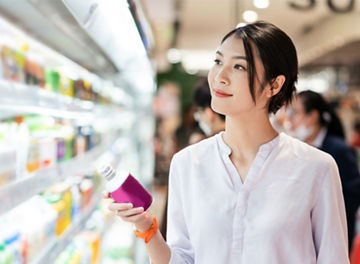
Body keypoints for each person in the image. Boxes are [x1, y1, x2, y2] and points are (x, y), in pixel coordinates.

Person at [104, 21, 349, 263]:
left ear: (274, 84)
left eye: (240, 67)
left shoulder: (315, 167)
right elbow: (183, 259)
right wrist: (146, 228)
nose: (219, 76)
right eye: (218, 62)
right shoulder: (187, 163)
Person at [287, 90, 360, 252]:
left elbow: (352, 195)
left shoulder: (338, 150)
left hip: (333, 235)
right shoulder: (298, 149)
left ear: (312, 116)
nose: (290, 119)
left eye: (295, 113)